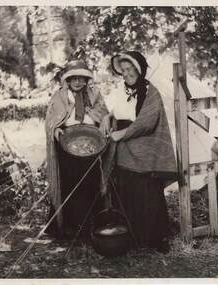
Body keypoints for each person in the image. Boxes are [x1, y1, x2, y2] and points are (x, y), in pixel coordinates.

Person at [100, 51, 177, 252]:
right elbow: (117, 111)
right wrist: (108, 118)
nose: (127, 73)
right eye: (123, 70)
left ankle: (154, 239)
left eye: (131, 69)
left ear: (139, 69)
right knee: (127, 192)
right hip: (124, 151)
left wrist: (122, 134)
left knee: (147, 193)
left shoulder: (151, 92)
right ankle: (132, 238)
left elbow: (147, 122)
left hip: (145, 150)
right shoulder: (120, 91)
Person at [45, 60, 108, 239]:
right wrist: (54, 129)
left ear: (87, 79)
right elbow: (51, 120)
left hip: (92, 146)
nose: (78, 82)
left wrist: (103, 122)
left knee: (90, 183)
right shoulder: (59, 97)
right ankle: (70, 228)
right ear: (68, 80)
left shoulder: (95, 94)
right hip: (68, 147)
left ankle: (91, 226)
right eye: (74, 79)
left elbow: (105, 116)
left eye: (82, 78)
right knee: (70, 184)